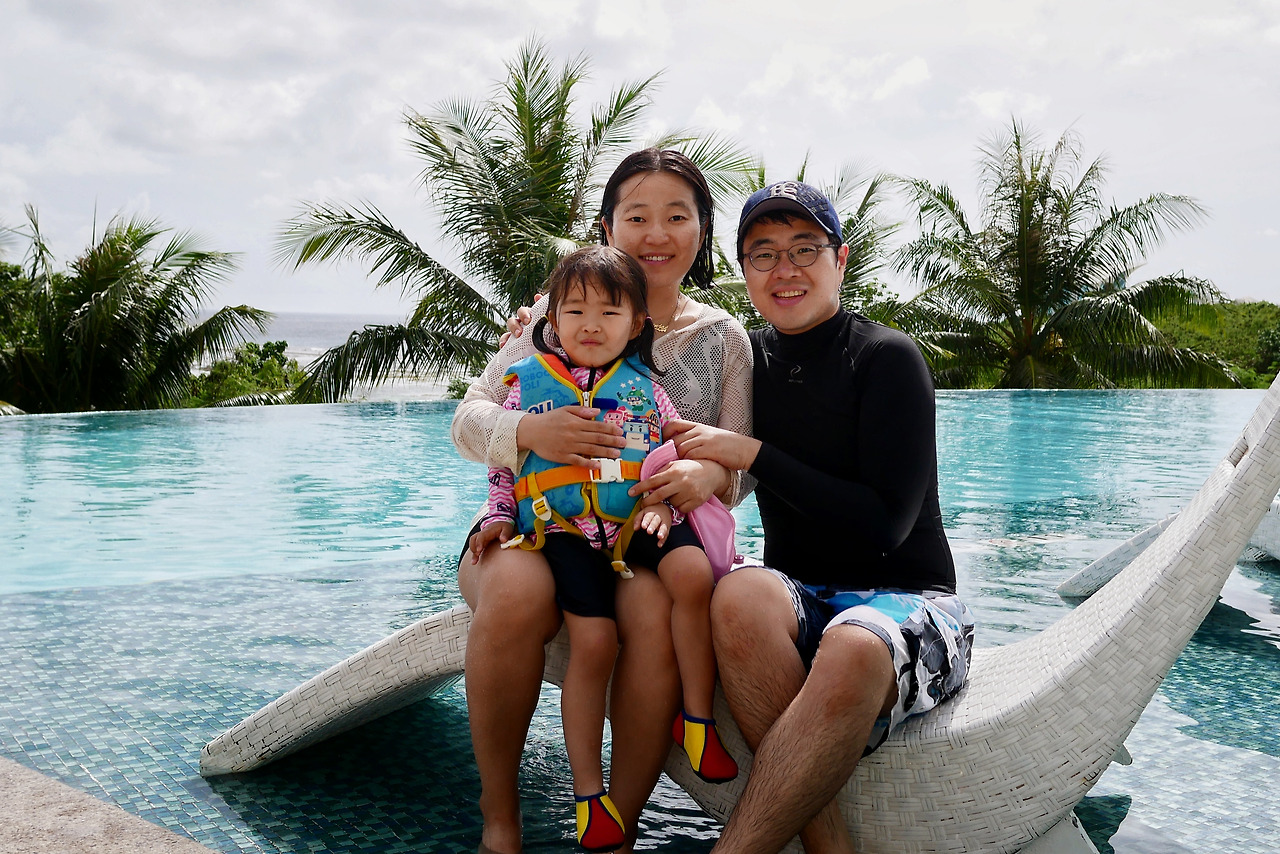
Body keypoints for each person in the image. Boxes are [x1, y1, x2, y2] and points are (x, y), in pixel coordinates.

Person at [451, 148, 753, 854]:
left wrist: (704, 475)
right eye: (636, 216)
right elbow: (467, 421)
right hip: (534, 524)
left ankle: (616, 822)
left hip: (641, 533)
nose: (656, 234)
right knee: (519, 591)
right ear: (607, 227)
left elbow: (738, 467)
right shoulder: (552, 317)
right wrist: (528, 432)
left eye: (676, 216)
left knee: (654, 609)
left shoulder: (722, 340)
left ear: (702, 231)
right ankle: (500, 817)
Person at [663, 181, 975, 854]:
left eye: (805, 249)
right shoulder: (741, 359)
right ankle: (831, 845)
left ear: (841, 258)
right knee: (737, 596)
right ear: (744, 270)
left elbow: (885, 525)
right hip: (799, 598)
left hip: (909, 598)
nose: (786, 269)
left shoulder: (886, 358)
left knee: (855, 644)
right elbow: (629, 367)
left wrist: (752, 454)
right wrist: (542, 328)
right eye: (764, 254)